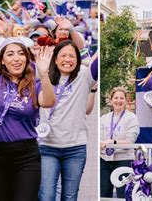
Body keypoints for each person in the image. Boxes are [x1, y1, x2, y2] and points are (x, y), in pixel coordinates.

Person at [0, 35, 56, 201]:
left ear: (27, 58)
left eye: (21, 53)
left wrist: (44, 73)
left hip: (26, 156)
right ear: (2, 60)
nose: (16, 58)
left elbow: (48, 102)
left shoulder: (36, 83)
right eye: (10, 54)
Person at [38, 40, 98, 201]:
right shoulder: (43, 76)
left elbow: (99, 59)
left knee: (69, 197)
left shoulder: (84, 76)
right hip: (47, 147)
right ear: (55, 59)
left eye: (72, 56)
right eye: (63, 55)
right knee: (46, 196)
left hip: (75, 149)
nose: (67, 59)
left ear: (78, 60)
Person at [100, 86, 139, 198]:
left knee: (123, 195)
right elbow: (100, 138)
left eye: (122, 98)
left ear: (126, 101)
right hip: (104, 159)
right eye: (116, 98)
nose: (119, 101)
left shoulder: (132, 118)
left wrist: (113, 142)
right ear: (111, 100)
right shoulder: (104, 118)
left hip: (123, 160)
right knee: (103, 194)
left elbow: (130, 141)